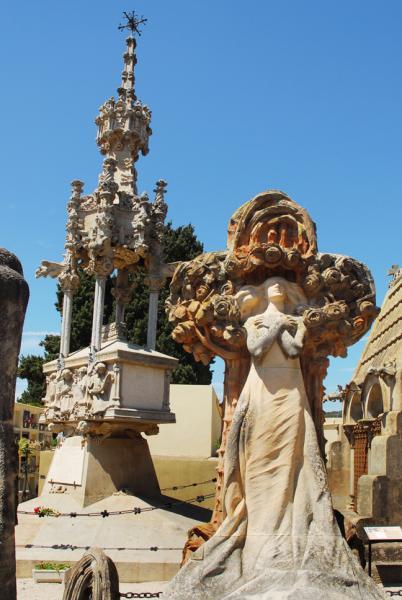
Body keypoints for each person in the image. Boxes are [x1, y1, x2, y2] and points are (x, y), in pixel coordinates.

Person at [164, 276, 385, 599]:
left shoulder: (297, 320)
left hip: (291, 392)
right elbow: (256, 349)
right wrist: (274, 328)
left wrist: (286, 327)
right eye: (271, 285)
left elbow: (295, 349)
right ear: (263, 294)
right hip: (262, 390)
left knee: (297, 456)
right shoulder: (254, 320)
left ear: (289, 294)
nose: (277, 287)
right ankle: (257, 533)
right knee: (259, 458)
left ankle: (293, 532)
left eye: (282, 286)